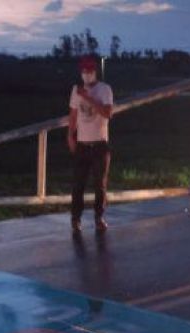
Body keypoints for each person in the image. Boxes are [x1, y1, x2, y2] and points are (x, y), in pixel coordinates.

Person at [68, 56, 114, 233]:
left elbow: (107, 113)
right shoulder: (75, 90)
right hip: (82, 144)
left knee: (99, 184)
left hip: (100, 145)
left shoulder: (105, 89)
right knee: (78, 184)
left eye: (89, 71)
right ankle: (75, 219)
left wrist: (88, 98)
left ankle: (99, 217)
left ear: (96, 72)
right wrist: (70, 136)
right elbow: (73, 115)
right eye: (84, 71)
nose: (86, 74)